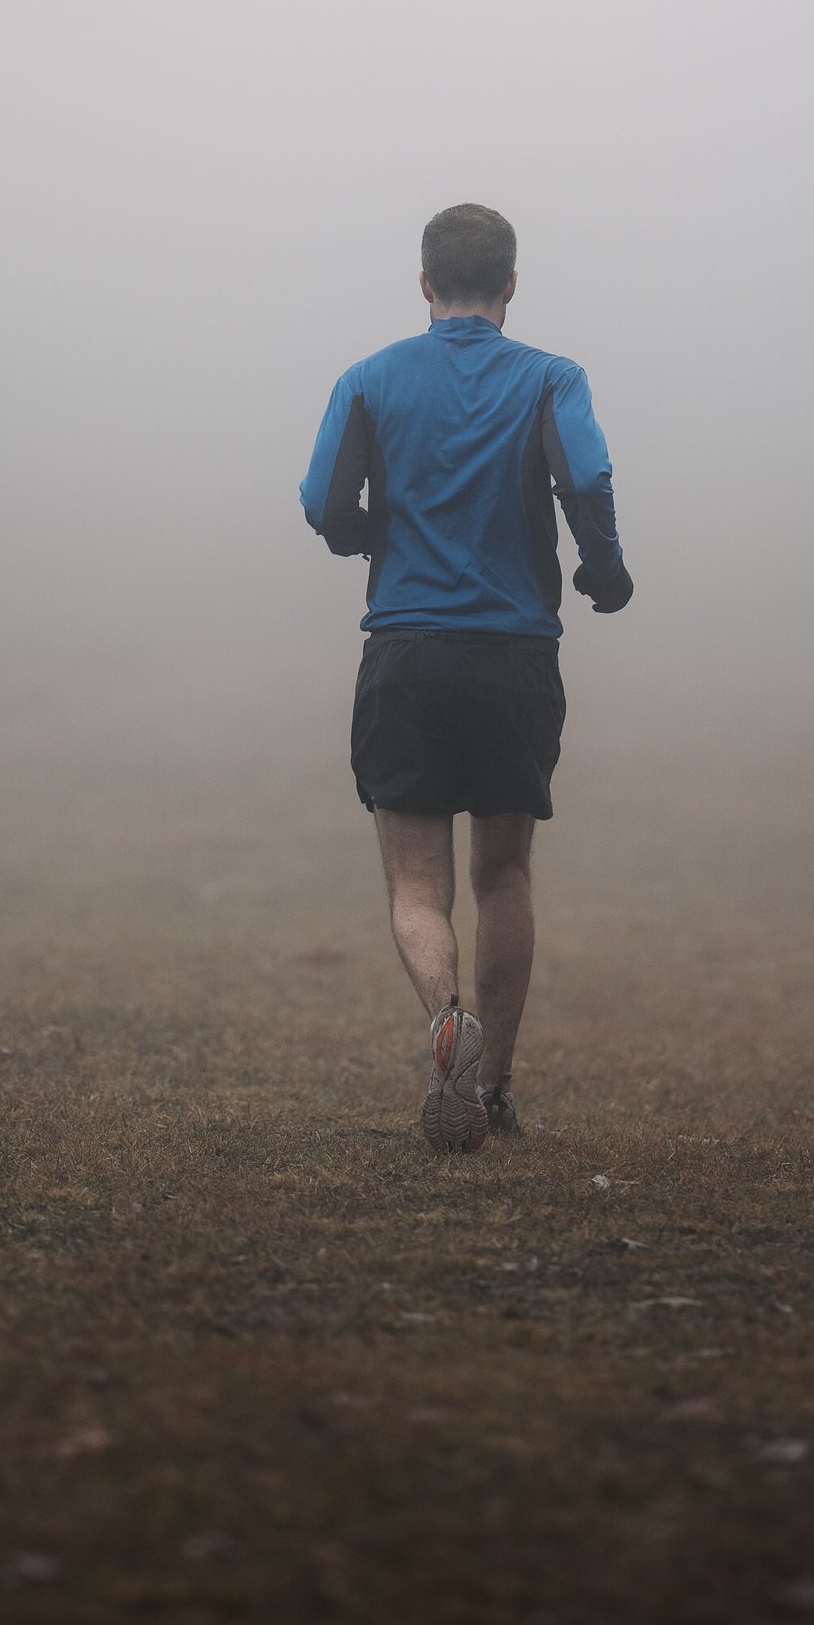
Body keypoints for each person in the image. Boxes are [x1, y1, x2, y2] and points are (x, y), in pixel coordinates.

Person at [301, 204, 632, 1154]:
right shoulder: (551, 378)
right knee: (504, 873)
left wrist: (357, 534)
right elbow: (587, 480)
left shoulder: (368, 380)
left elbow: (323, 499)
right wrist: (603, 568)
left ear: (424, 284)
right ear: (511, 285)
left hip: (406, 650)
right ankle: (493, 1089)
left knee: (417, 883)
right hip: (514, 655)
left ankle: (447, 1017)